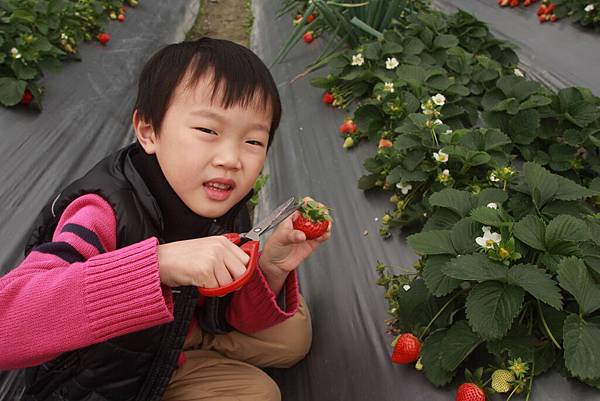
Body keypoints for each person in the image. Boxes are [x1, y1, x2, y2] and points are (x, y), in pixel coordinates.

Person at [0, 37, 332, 401]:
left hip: (173, 330)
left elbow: (226, 309)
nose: (232, 158)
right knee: (258, 393)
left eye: (253, 141)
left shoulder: (224, 202)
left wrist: (271, 267)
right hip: (103, 374)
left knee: (294, 331)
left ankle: (187, 340)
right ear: (148, 131)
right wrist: (158, 265)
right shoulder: (103, 212)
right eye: (208, 131)